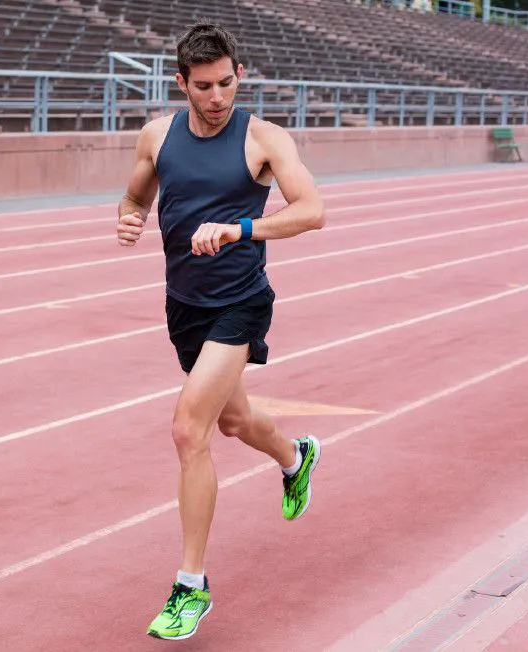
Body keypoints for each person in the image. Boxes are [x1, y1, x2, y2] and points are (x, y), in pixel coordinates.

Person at [116, 20, 326, 641]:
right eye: (204, 86)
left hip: (240, 301)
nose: (217, 97)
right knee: (233, 421)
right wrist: (127, 221)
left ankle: (190, 586)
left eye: (227, 83)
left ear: (240, 75)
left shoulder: (262, 138)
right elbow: (133, 200)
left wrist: (241, 229)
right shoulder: (156, 136)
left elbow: (313, 211)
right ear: (181, 82)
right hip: (184, 306)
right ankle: (296, 458)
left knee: (189, 430)